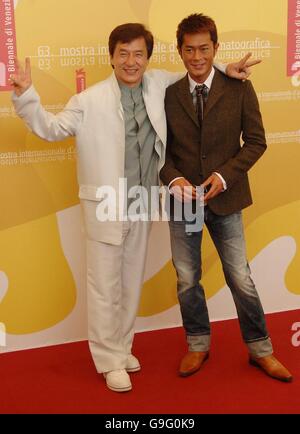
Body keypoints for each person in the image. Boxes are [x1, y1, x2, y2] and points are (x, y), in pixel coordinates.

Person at [10, 22, 260, 392]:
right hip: (107, 203)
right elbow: (50, 128)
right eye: (123, 54)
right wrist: (26, 96)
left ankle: (121, 349)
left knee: (129, 283)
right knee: (104, 286)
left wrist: (227, 69)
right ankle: (109, 359)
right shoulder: (88, 100)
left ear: (147, 58)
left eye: (138, 54)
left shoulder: (158, 84)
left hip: (142, 200)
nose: (131, 61)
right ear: (111, 58)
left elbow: (194, 69)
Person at [160, 14, 293, 383]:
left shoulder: (238, 87)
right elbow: (160, 152)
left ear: (215, 49)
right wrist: (176, 179)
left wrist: (223, 176)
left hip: (226, 199)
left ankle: (261, 350)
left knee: (240, 276)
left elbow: (256, 142)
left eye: (204, 48)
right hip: (184, 203)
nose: (197, 56)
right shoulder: (168, 95)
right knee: (187, 278)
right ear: (180, 51)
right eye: (190, 49)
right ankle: (198, 343)